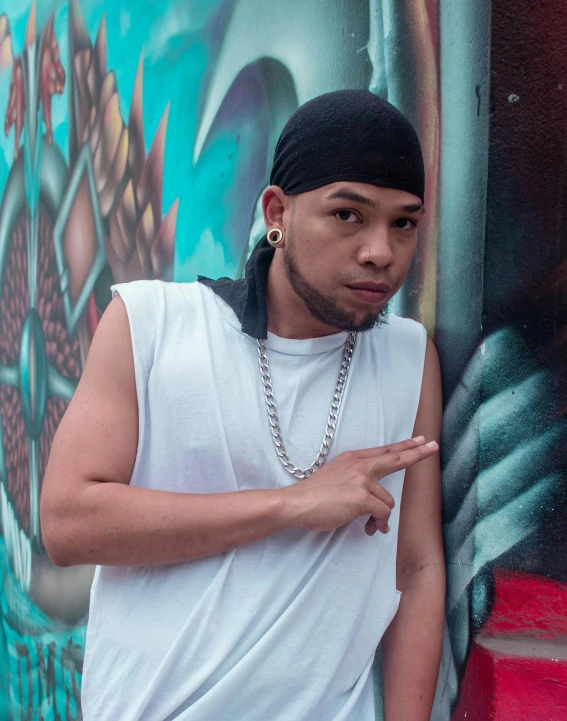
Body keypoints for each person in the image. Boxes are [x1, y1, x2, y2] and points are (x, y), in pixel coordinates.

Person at [40, 89, 445, 721]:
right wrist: (292, 506)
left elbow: (417, 566)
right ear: (277, 211)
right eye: (348, 215)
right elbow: (68, 524)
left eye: (404, 222)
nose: (380, 252)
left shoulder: (408, 358)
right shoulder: (152, 324)